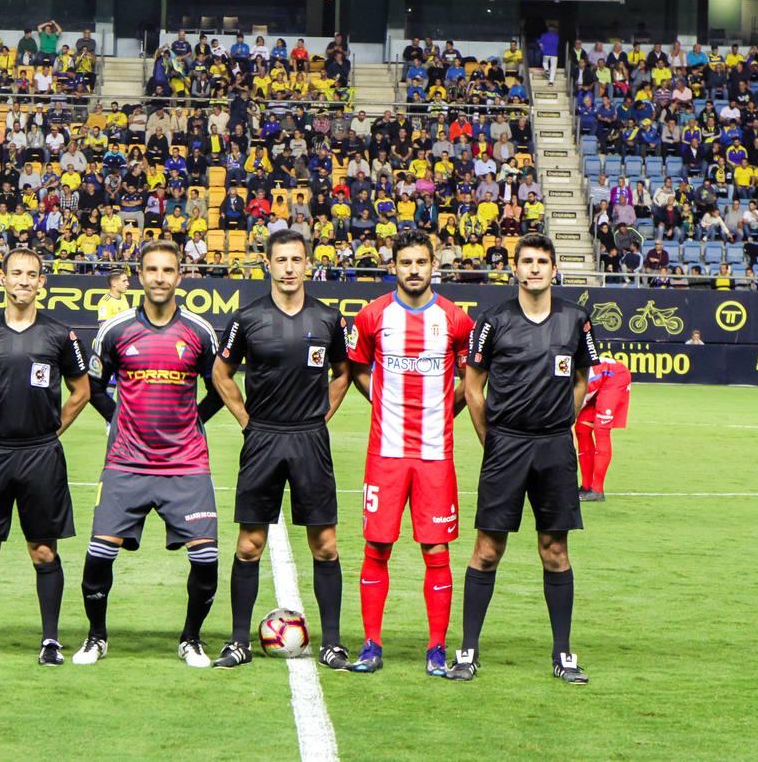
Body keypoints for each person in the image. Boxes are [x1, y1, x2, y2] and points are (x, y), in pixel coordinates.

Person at [452, 233, 600, 684]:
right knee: (487, 549)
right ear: (515, 268)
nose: (535, 269)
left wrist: (563, 422)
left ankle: (563, 654)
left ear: (555, 269)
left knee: (554, 551)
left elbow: (581, 379)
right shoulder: (494, 320)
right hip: (506, 446)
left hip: (555, 447)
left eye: (543, 262)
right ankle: (468, 650)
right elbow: (473, 385)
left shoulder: (577, 320)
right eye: (527, 261)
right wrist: (489, 438)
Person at [74, 240, 224, 668]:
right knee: (100, 550)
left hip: (186, 464)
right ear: (140, 275)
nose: (160, 278)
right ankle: (96, 637)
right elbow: (93, 387)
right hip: (126, 462)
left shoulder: (198, 333)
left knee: (206, 556)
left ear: (179, 276)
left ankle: (191, 639)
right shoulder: (116, 330)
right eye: (152, 270)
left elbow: (220, 390)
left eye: (168, 270)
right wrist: (115, 417)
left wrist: (193, 422)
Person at [209, 230, 352, 670]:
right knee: (249, 544)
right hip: (263, 439)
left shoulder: (328, 320)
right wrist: (246, 420)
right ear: (267, 264)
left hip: (310, 439)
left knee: (325, 544)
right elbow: (221, 372)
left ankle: (331, 642)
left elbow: (344, 372)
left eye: (296, 260)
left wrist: (319, 416)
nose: (289, 268)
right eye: (281, 260)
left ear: (307, 263)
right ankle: (237, 641)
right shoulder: (247, 319)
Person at [0, 248, 91, 666]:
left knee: (43, 550)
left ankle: (50, 641)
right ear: (2, 280)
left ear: (42, 282)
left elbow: (82, 390)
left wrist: (52, 429)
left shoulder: (60, 336)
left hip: (41, 455)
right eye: (17, 273)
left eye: (32, 274)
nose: (24, 281)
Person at [344, 230, 474, 676]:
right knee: (376, 545)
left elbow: (471, 380)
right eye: (406, 263)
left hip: (436, 454)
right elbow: (358, 368)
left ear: (433, 264)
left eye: (421, 262)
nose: (414, 270)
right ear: (393, 266)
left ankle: (436, 647)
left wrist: (446, 409)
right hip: (387, 452)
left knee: (436, 551)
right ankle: (372, 645)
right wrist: (382, 402)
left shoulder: (456, 320)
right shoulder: (372, 316)